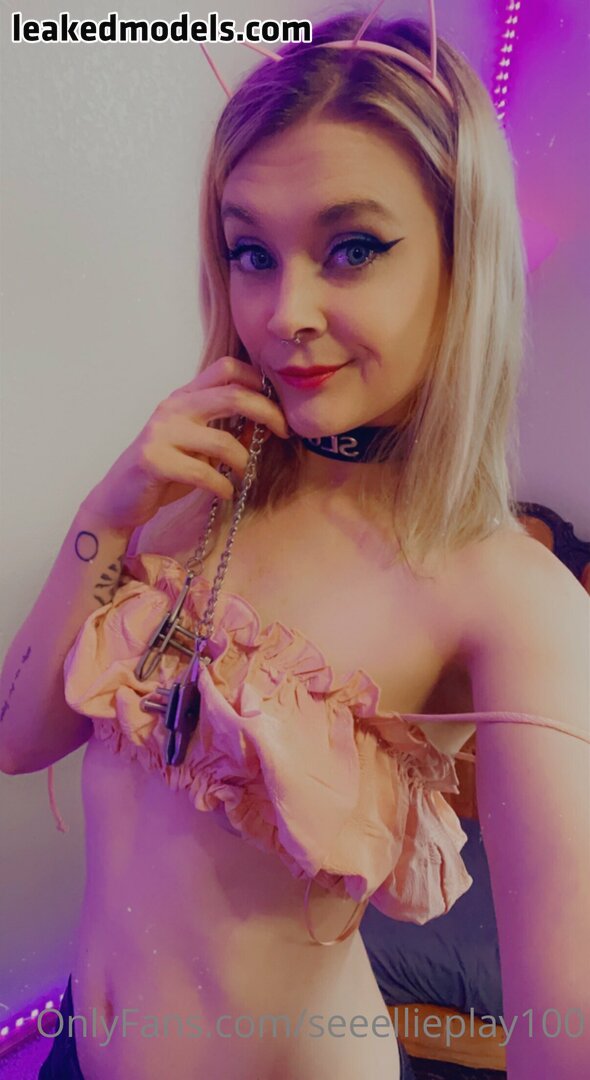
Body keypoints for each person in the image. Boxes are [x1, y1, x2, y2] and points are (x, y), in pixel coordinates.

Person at [1, 6, 588, 1079]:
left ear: (462, 263)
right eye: (251, 253)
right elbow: (16, 736)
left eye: (352, 248)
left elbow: (570, 1028)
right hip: (76, 1055)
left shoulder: (508, 594)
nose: (285, 312)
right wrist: (106, 512)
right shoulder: (198, 486)